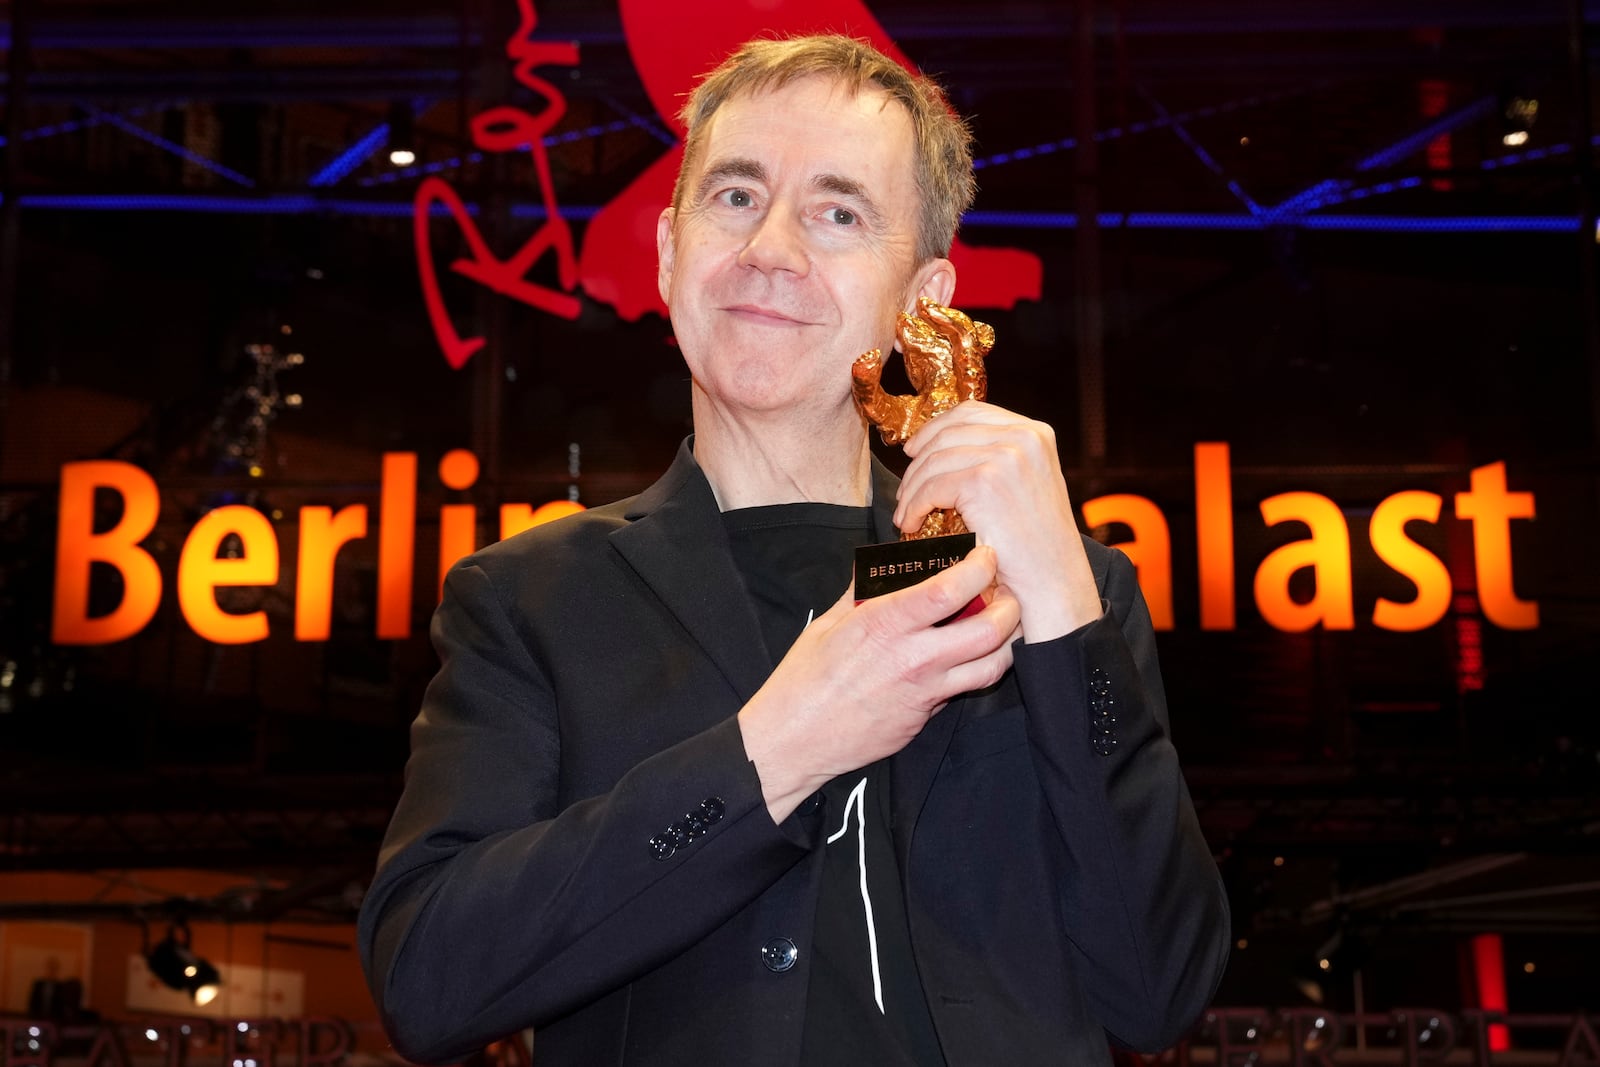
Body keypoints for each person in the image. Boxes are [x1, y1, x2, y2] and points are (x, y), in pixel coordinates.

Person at [358, 33, 1229, 1066]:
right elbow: (428, 978)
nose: (770, 247)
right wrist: (774, 749)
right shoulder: (530, 597)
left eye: (837, 211)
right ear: (671, 252)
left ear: (925, 300)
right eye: (735, 197)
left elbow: (1157, 986)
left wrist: (1065, 620)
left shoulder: (1057, 585)